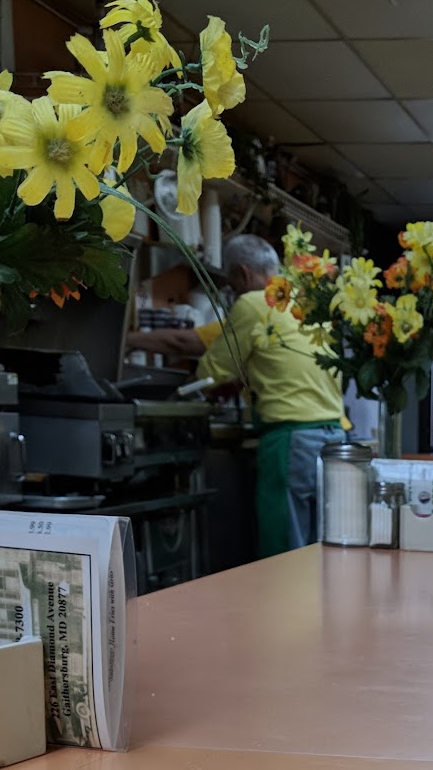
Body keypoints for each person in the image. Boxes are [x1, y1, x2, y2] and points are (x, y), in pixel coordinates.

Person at [129, 234, 345, 558]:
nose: (232, 293)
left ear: (243, 274)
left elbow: (213, 369)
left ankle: (284, 595)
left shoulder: (253, 302)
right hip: (334, 437)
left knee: (285, 549)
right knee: (324, 548)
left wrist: (186, 389)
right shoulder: (303, 302)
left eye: (231, 284)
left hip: (291, 439)